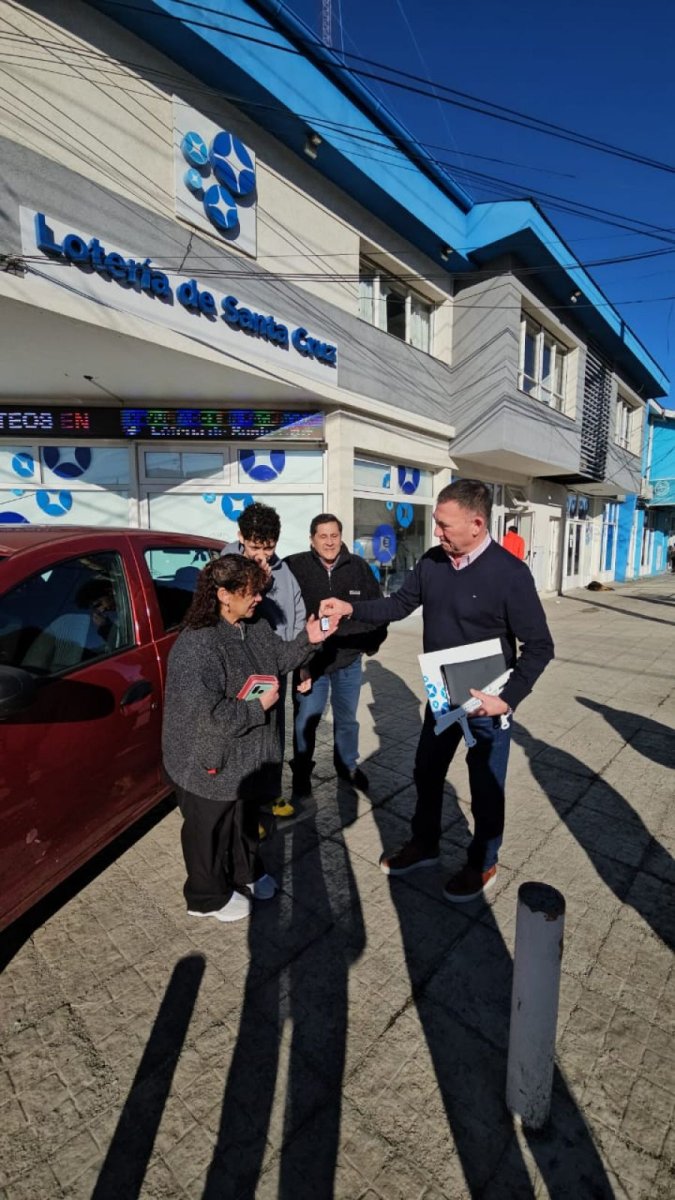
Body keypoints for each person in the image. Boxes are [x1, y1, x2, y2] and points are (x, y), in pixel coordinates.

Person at [320, 479, 554, 903]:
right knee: (426, 772)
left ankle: (483, 860)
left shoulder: (511, 575)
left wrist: (508, 698)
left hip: (487, 704)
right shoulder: (432, 562)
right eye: (437, 525)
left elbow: (540, 647)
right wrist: (351, 607)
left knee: (485, 787)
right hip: (442, 695)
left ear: (477, 524)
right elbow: (398, 605)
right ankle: (424, 844)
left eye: (445, 526)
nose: (437, 533)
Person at [162, 556, 335, 924]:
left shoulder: (253, 626)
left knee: (244, 820)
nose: (258, 598)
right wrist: (258, 708)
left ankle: (245, 873)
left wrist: (310, 640)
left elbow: (280, 657)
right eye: (251, 592)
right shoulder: (198, 645)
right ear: (223, 595)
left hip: (245, 757)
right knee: (208, 831)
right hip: (208, 758)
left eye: (259, 591)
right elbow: (208, 716)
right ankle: (206, 896)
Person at [285, 513, 388, 797]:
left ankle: (347, 766)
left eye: (334, 535)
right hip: (311, 663)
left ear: (341, 537)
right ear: (312, 539)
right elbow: (287, 616)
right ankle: (302, 772)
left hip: (348, 662)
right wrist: (299, 658)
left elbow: (377, 611)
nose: (329, 542)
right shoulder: (295, 566)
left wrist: (367, 643)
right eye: (323, 536)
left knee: (347, 719)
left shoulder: (359, 568)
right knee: (307, 720)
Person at [221, 501, 306, 819]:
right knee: (243, 733)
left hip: (275, 667)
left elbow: (296, 617)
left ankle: (270, 794)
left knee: (272, 733)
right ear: (240, 536)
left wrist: (302, 663)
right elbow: (223, 613)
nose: (263, 555)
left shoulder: (283, 571)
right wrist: (258, 581)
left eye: (269, 548)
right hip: (239, 668)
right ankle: (244, 808)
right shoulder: (225, 566)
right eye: (256, 546)